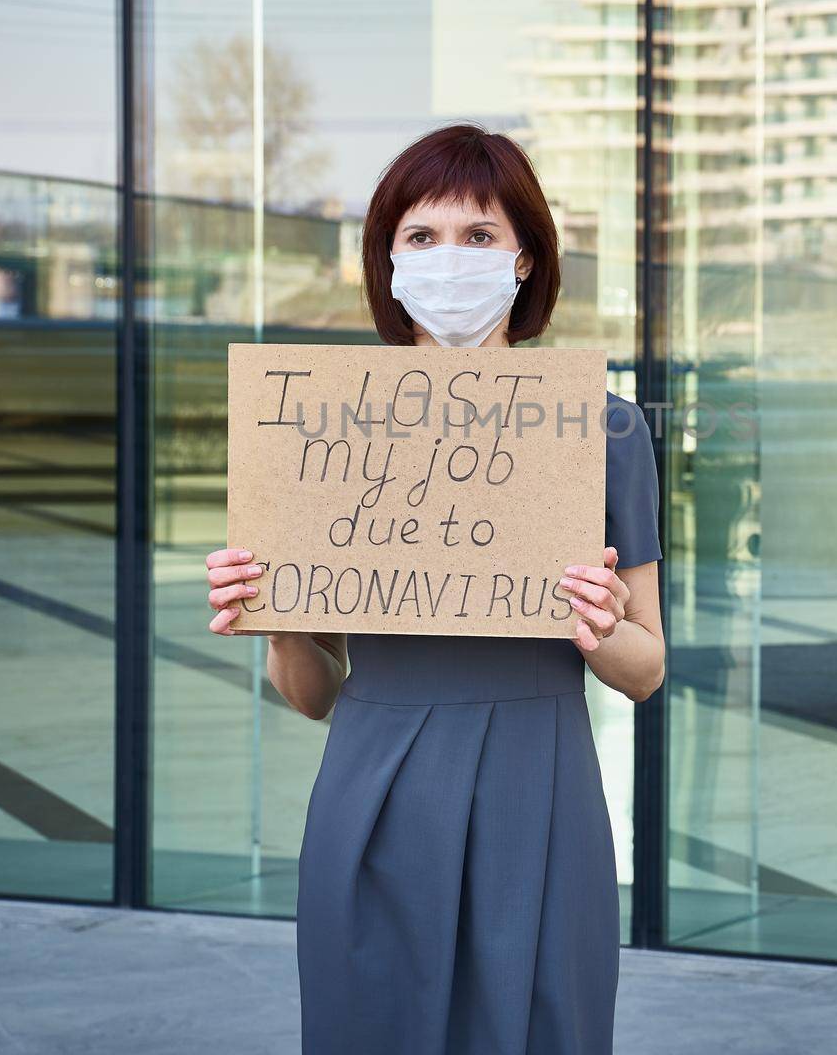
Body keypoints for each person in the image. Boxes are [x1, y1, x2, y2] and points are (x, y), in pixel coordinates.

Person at [203, 122, 664, 1054]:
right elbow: (313, 696)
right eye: (421, 236)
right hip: (373, 780)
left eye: (480, 236)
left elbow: (646, 669)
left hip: (539, 784)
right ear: (387, 261)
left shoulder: (604, 431)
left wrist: (596, 626)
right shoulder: (316, 426)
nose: (449, 258)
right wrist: (278, 623)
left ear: (526, 259)